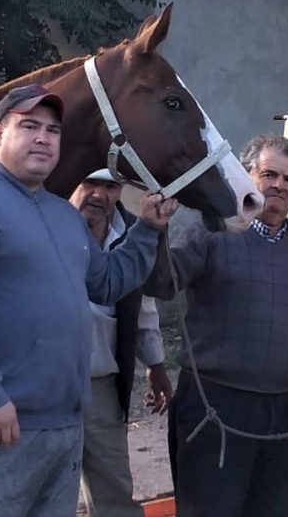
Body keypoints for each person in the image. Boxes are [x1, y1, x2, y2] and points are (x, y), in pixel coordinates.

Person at [0, 84, 178, 517]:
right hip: (2, 423)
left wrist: (148, 229)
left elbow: (108, 283)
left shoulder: (63, 216)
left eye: (53, 130)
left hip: (65, 424)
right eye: (29, 126)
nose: (43, 137)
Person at [147, 134, 288, 517]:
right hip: (214, 410)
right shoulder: (212, 232)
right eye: (269, 174)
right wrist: (154, 232)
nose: (278, 186)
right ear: (246, 175)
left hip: (287, 414)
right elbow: (161, 283)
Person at [68, 169, 174, 517]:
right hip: (45, 383)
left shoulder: (131, 234)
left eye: (109, 186)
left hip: (101, 384)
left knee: (113, 494)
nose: (98, 194)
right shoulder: (46, 224)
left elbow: (142, 307)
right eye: (89, 183)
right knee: (42, 491)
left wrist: (155, 366)